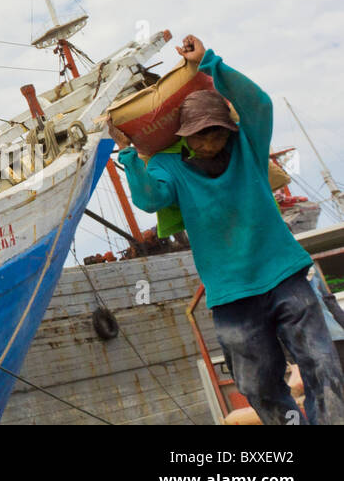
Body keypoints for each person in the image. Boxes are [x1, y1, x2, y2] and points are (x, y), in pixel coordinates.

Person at [112, 34, 344, 425]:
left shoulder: (248, 150)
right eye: (200, 134)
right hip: (232, 296)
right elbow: (151, 198)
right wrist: (130, 155)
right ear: (185, 137)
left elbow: (259, 104)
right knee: (258, 386)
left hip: (284, 277)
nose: (209, 141)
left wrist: (210, 63)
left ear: (229, 129)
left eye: (216, 131)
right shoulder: (170, 169)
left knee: (322, 364)